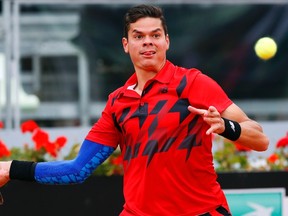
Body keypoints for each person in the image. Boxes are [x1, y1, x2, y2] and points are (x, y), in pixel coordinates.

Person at [0, 4, 269, 216]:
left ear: (167, 41)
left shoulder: (193, 83)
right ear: (126, 45)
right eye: (138, 36)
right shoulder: (118, 103)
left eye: (155, 35)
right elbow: (77, 170)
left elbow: (259, 138)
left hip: (201, 212)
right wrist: (12, 168)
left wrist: (226, 127)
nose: (148, 42)